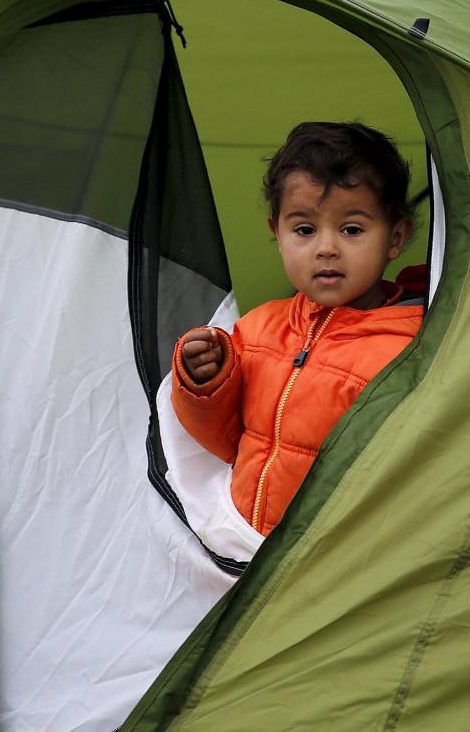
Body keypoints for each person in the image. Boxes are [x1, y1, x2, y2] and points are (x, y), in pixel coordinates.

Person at [172, 122, 423, 539]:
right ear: (278, 233)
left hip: (331, 561)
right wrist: (205, 384)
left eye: (352, 229)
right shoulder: (256, 330)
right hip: (241, 551)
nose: (326, 247)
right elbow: (224, 440)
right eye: (305, 230)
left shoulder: (410, 350)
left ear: (395, 238)